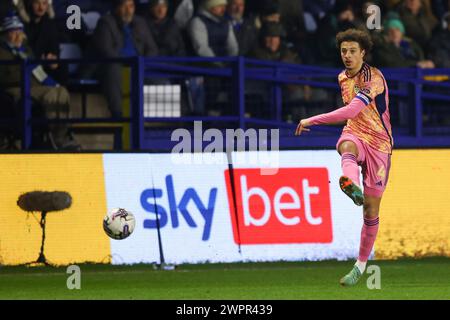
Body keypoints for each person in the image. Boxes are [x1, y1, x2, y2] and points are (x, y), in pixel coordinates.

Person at [295, 29, 393, 286]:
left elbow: (352, 109)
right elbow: (352, 117)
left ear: (363, 53)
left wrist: (311, 120)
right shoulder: (341, 77)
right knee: (346, 145)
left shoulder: (374, 78)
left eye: (352, 51)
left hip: (380, 145)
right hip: (355, 133)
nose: (347, 56)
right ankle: (352, 185)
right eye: (343, 51)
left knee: (371, 212)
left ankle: (360, 267)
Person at [0, 12, 79, 150]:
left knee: (61, 91)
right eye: (13, 31)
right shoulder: (2, 51)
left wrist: (51, 82)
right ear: (6, 33)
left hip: (34, 86)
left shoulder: (26, 50)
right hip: (15, 88)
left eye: (19, 31)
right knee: (50, 95)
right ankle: (54, 136)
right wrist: (21, 64)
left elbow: (37, 69)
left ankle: (62, 135)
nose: (18, 35)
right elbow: (7, 76)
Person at [91, 0, 158, 117]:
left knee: (160, 78)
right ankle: (120, 116)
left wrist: (143, 63)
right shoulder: (105, 22)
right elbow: (106, 51)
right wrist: (129, 63)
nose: (128, 10)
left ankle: (161, 120)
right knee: (114, 70)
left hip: (137, 65)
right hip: (115, 65)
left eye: (131, 6)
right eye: (124, 6)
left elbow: (152, 49)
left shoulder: (140, 22)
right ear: (117, 8)